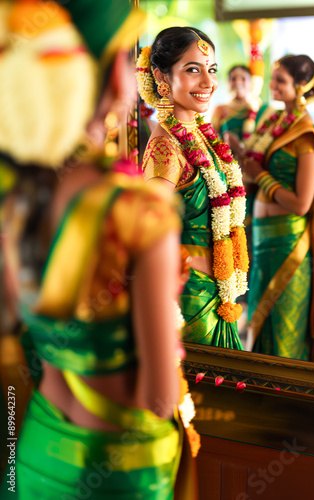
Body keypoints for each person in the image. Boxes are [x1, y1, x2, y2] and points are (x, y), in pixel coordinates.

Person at [0, 1, 197, 498]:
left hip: (38, 446)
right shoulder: (139, 210)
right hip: (120, 466)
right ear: (114, 75)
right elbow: (157, 397)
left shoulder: (14, 198)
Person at [137, 27, 249, 349]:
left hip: (218, 292)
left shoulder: (202, 134)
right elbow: (149, 236)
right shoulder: (166, 147)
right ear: (161, 77)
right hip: (192, 300)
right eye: (192, 70)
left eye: (211, 69)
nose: (208, 82)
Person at [234, 55, 314, 359]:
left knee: (283, 327)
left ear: (301, 86)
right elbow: (254, 168)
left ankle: (281, 397)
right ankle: (258, 396)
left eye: (281, 80)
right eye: (273, 78)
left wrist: (260, 175)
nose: (273, 86)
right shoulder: (275, 122)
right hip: (262, 238)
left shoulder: (305, 134)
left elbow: (302, 203)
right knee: (257, 325)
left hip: (289, 244)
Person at [211, 65, 257, 141]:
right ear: (228, 83)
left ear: (250, 82)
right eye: (233, 79)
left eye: (243, 79)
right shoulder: (220, 110)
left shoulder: (257, 108)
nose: (238, 83)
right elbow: (212, 139)